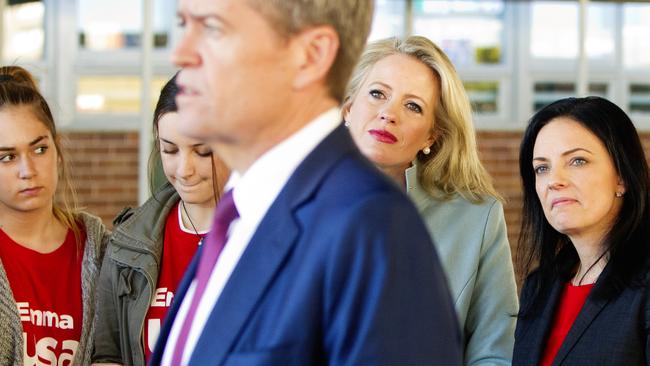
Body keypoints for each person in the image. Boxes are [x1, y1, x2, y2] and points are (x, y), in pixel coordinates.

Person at [150, 0, 462, 365]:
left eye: (214, 29)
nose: (182, 52)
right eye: (184, 24)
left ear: (311, 56)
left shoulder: (370, 226)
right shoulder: (239, 208)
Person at [343, 35, 518, 365]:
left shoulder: (475, 218)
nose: (388, 114)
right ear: (348, 108)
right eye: (377, 93)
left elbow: (495, 352)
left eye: (413, 106)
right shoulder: (288, 204)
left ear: (431, 136)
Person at [92, 74, 229, 366]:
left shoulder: (269, 236)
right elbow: (109, 353)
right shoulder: (127, 244)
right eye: (170, 150)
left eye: (202, 151)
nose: (184, 169)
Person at [513, 96, 650, 365]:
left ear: (621, 176)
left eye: (577, 161)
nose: (554, 181)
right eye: (542, 168)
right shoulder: (538, 286)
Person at [0, 65, 108, 364]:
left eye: (39, 150)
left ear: (57, 152)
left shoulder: (100, 252)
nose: (28, 170)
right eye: (7, 157)